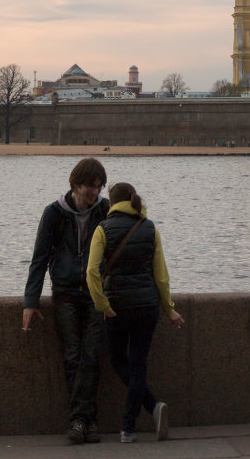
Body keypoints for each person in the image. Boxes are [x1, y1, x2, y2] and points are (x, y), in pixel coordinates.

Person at [87, 181, 185, 444]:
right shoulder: (149, 228)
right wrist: (170, 310)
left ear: (111, 202)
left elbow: (91, 272)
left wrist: (103, 305)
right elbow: (161, 276)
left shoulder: (102, 229)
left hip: (117, 307)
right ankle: (128, 428)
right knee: (139, 363)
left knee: (119, 359)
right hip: (147, 306)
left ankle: (152, 407)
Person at [23, 157, 111, 445]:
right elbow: (39, 259)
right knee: (72, 357)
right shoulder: (53, 214)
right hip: (65, 293)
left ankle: (81, 421)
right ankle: (85, 421)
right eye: (90, 186)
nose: (94, 193)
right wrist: (30, 301)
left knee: (92, 356)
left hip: (96, 294)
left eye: (99, 187)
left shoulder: (106, 210)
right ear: (75, 184)